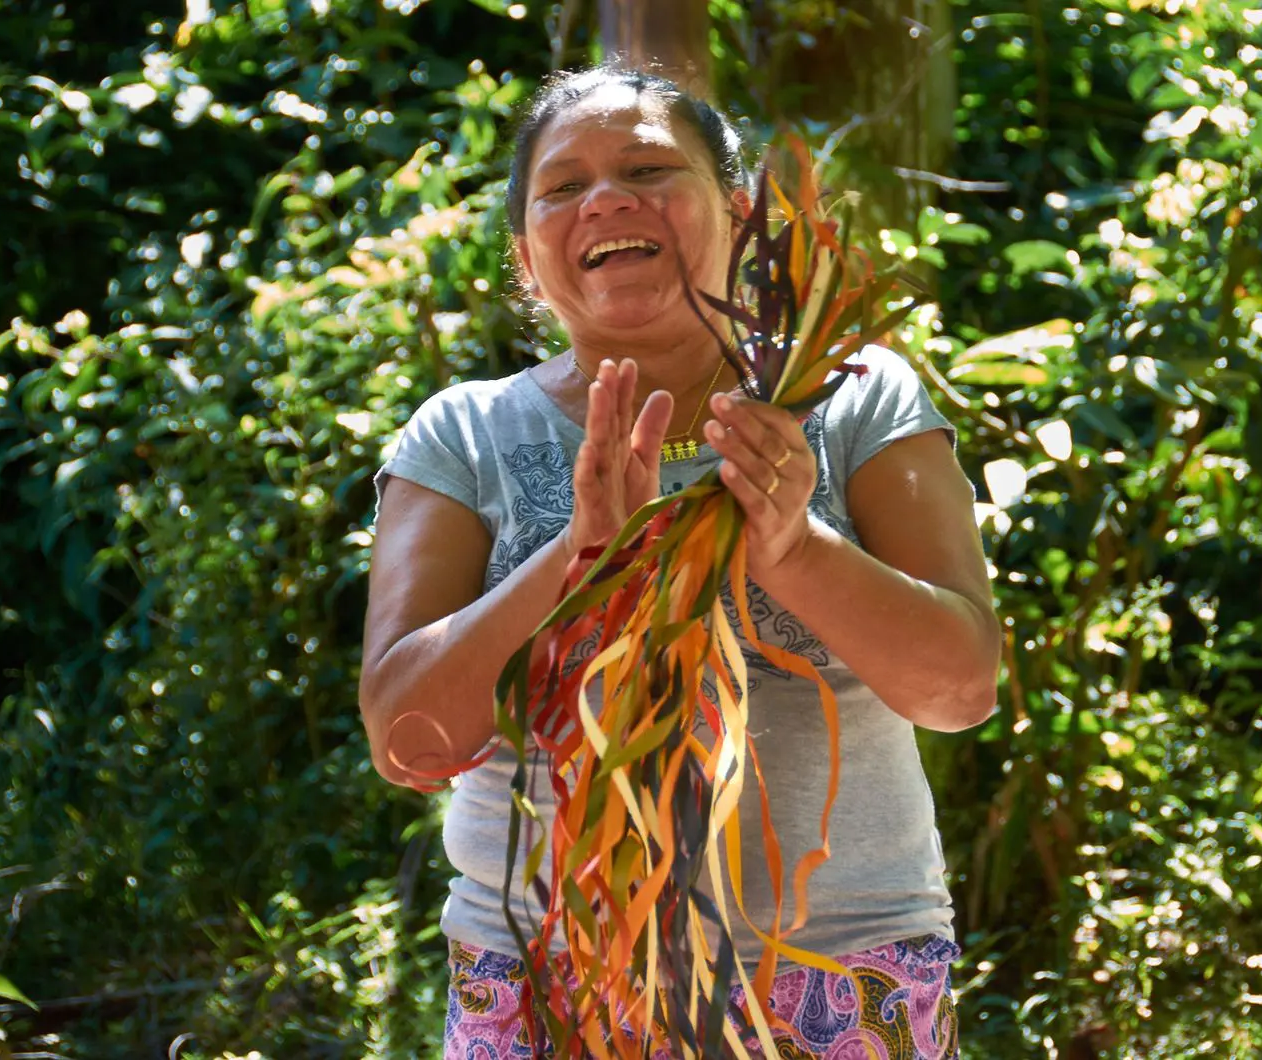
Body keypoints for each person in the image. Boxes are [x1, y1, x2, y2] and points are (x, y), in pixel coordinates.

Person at [358, 64, 999, 1060]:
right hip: (549, 980)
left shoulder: (855, 401)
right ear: (528, 260)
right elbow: (407, 742)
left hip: (838, 971)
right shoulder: (465, 433)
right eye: (561, 188)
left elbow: (960, 686)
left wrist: (792, 547)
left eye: (647, 167)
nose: (607, 198)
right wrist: (575, 563)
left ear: (740, 215)